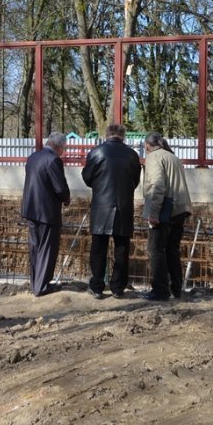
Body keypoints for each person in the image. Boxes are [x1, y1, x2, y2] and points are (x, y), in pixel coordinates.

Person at [81, 123, 141, 299]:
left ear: (107, 134)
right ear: (123, 135)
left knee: (98, 248)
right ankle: (118, 287)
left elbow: (87, 178)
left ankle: (97, 286)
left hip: (101, 206)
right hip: (124, 205)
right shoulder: (132, 155)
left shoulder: (96, 152)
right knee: (122, 249)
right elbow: (135, 181)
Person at [141, 132, 193, 301]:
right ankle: (176, 289)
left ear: (147, 145)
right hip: (180, 209)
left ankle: (160, 290)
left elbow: (157, 185)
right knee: (172, 250)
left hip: (165, 210)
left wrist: (153, 212)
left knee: (155, 249)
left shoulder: (154, 157)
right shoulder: (173, 157)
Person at [20, 132, 71, 297]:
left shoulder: (33, 157)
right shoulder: (53, 160)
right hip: (47, 212)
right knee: (47, 249)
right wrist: (66, 198)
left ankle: (36, 283)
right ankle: (42, 286)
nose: (63, 152)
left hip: (31, 209)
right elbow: (60, 187)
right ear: (59, 146)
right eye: (64, 148)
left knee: (35, 248)